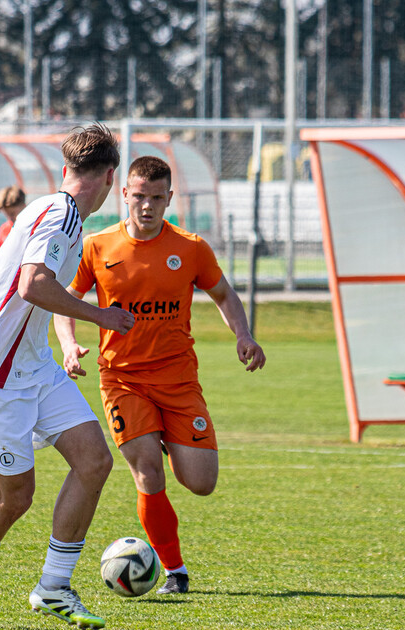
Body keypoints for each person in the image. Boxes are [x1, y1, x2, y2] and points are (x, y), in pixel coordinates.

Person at [0, 123, 135, 630]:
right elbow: (32, 284)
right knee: (15, 498)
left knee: (94, 461)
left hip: (33, 365)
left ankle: (53, 587)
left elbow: (1, 275)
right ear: (111, 176)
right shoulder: (63, 216)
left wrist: (58, 341)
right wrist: (101, 316)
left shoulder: (45, 207)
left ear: (66, 168)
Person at [55, 155, 266, 595]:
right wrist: (69, 344)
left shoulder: (190, 248)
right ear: (124, 194)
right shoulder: (97, 247)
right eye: (139, 196)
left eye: (156, 198)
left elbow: (224, 295)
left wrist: (243, 335)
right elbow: (67, 300)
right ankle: (175, 571)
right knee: (147, 473)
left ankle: (167, 436)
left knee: (201, 483)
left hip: (178, 382)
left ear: (169, 198)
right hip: (123, 380)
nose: (146, 206)